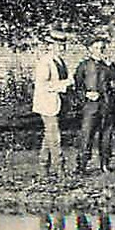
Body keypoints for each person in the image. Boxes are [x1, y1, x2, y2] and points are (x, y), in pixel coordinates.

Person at [73, 37, 115, 174]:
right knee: (87, 135)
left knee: (106, 136)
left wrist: (111, 65)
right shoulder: (84, 65)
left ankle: (105, 164)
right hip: (90, 106)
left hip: (107, 105)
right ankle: (82, 166)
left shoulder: (107, 65)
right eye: (96, 48)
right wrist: (86, 94)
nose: (99, 51)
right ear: (90, 49)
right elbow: (76, 86)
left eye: (102, 48)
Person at [31, 35, 74, 175]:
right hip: (47, 103)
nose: (62, 48)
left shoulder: (60, 61)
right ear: (49, 46)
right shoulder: (45, 62)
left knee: (49, 135)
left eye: (63, 45)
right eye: (58, 45)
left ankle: (43, 166)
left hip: (58, 102)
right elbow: (42, 85)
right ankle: (59, 168)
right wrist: (65, 84)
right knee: (54, 136)